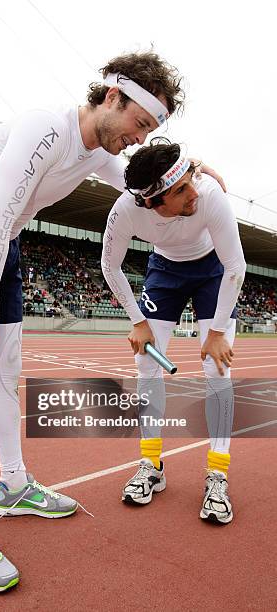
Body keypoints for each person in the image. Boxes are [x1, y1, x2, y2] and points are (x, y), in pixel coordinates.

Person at [0, 50, 222, 594]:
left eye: (151, 129)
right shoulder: (45, 130)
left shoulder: (100, 154)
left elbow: (143, 186)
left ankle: (12, 484)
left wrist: (194, 176)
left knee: (7, 373)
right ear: (112, 97)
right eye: (139, 123)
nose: (139, 136)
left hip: (3, 241)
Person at [101, 140, 246, 525]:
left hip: (212, 271)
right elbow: (109, 265)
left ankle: (218, 474)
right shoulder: (126, 211)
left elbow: (236, 267)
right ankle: (151, 465)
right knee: (145, 363)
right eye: (181, 190)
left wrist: (216, 331)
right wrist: (137, 321)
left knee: (217, 369)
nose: (193, 191)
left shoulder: (209, 195)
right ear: (152, 202)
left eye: (190, 179)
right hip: (164, 271)